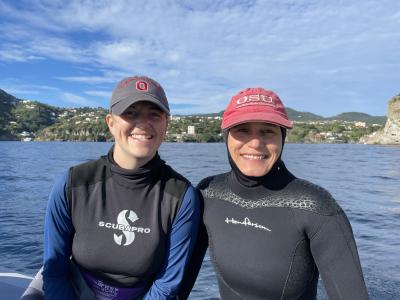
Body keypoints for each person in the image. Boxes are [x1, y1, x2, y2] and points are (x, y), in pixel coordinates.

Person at [179, 88, 369, 299]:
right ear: (226, 137)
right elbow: (180, 285)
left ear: (282, 138)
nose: (255, 143)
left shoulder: (315, 206)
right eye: (242, 130)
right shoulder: (209, 193)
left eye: (268, 131)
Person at [22, 76, 200, 300]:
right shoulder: (73, 183)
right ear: (111, 123)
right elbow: (55, 269)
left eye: (154, 114)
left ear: (166, 123)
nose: (143, 124)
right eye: (130, 113)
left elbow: (167, 283)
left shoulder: (181, 196)